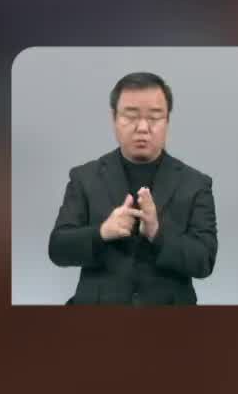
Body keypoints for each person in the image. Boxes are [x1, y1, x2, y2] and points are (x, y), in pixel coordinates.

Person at [46, 72, 218, 305]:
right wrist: (102, 232)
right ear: (114, 118)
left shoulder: (195, 184)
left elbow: (204, 261)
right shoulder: (84, 178)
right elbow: (58, 249)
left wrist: (158, 233)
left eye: (155, 117)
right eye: (131, 116)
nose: (143, 127)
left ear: (168, 120)